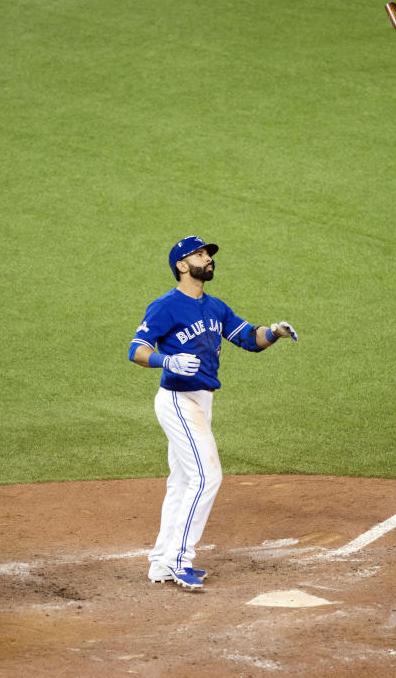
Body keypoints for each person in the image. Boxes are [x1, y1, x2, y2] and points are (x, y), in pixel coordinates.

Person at [128, 236, 298, 590]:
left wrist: (274, 332)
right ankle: (179, 560)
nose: (209, 260)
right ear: (181, 265)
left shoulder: (215, 307)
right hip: (177, 400)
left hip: (202, 402)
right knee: (207, 476)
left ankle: (161, 561)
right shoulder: (166, 306)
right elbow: (137, 350)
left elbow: (249, 338)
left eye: (208, 255)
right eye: (201, 255)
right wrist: (167, 359)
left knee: (182, 481)